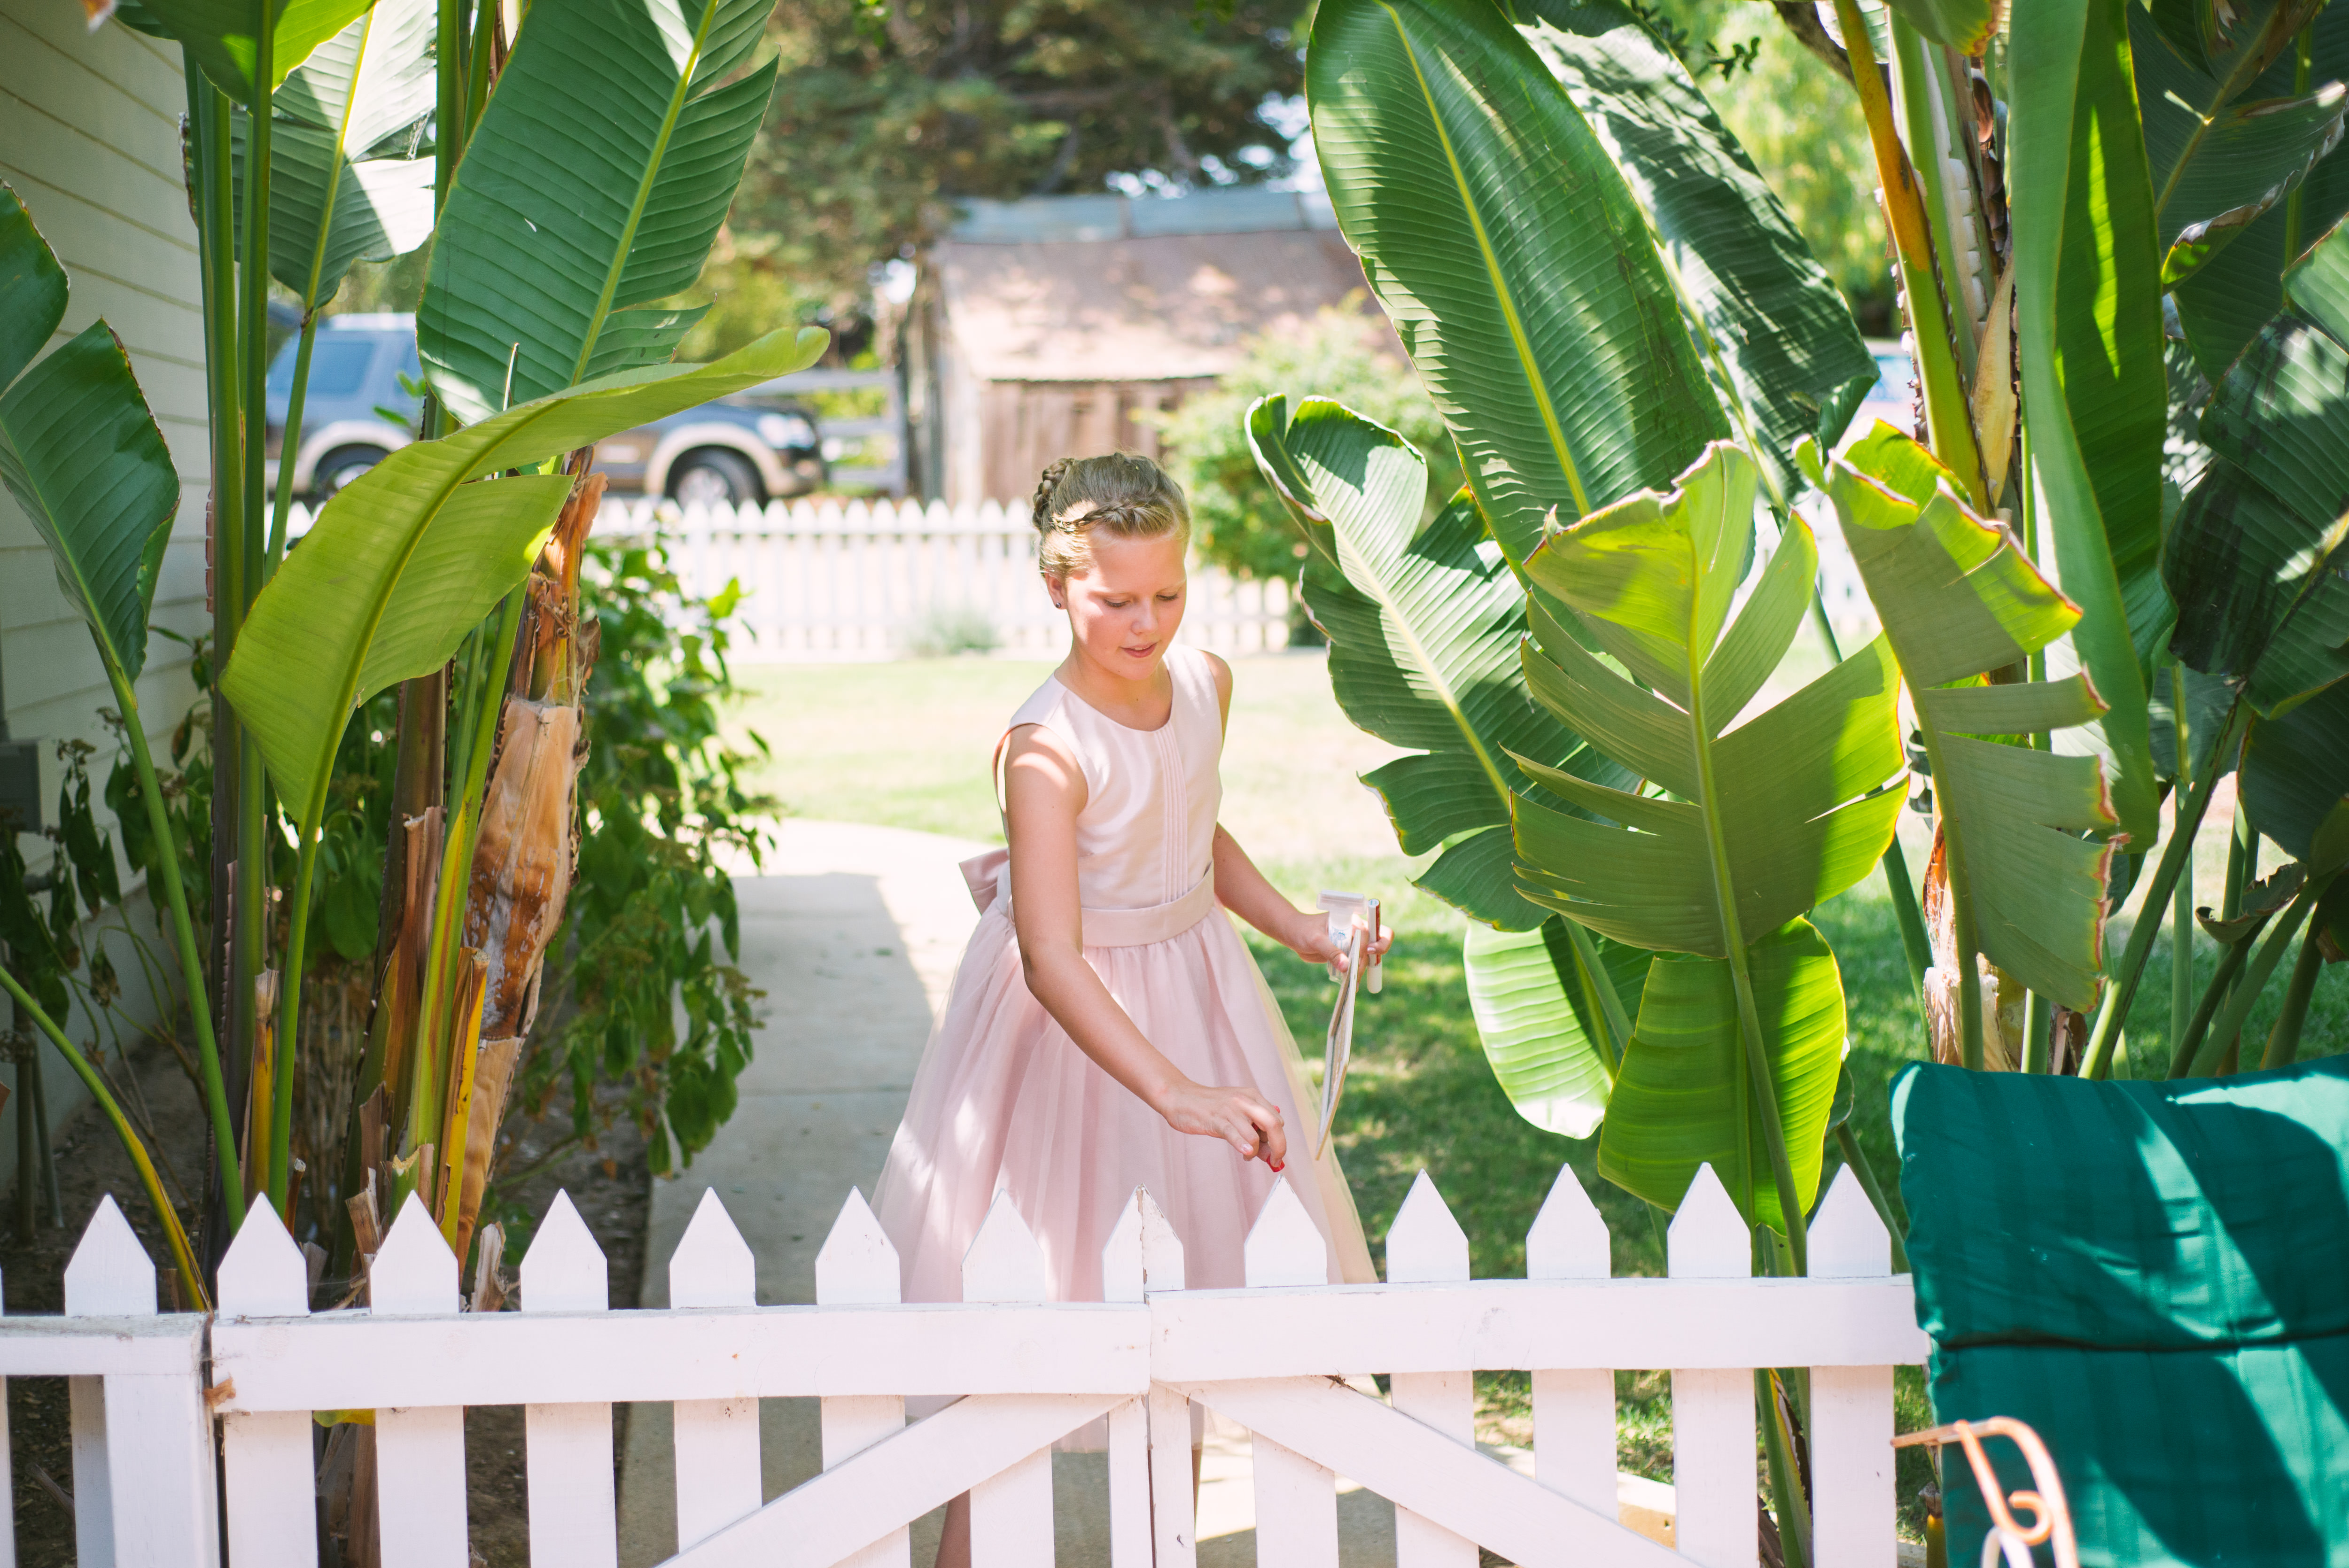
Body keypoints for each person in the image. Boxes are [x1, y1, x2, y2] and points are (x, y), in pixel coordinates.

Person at [871, 452, 1380, 1567]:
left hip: (1197, 990)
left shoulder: (1206, 681)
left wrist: (1298, 927)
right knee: (1033, 1320)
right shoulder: (1044, 749)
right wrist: (1177, 1090)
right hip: (1072, 1033)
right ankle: (963, 1551)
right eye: (1114, 600)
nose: (1144, 623)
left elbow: (1192, 824)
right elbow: (1051, 959)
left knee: (1190, 1303)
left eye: (1166, 594)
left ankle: (1165, 1545)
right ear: (1057, 586)